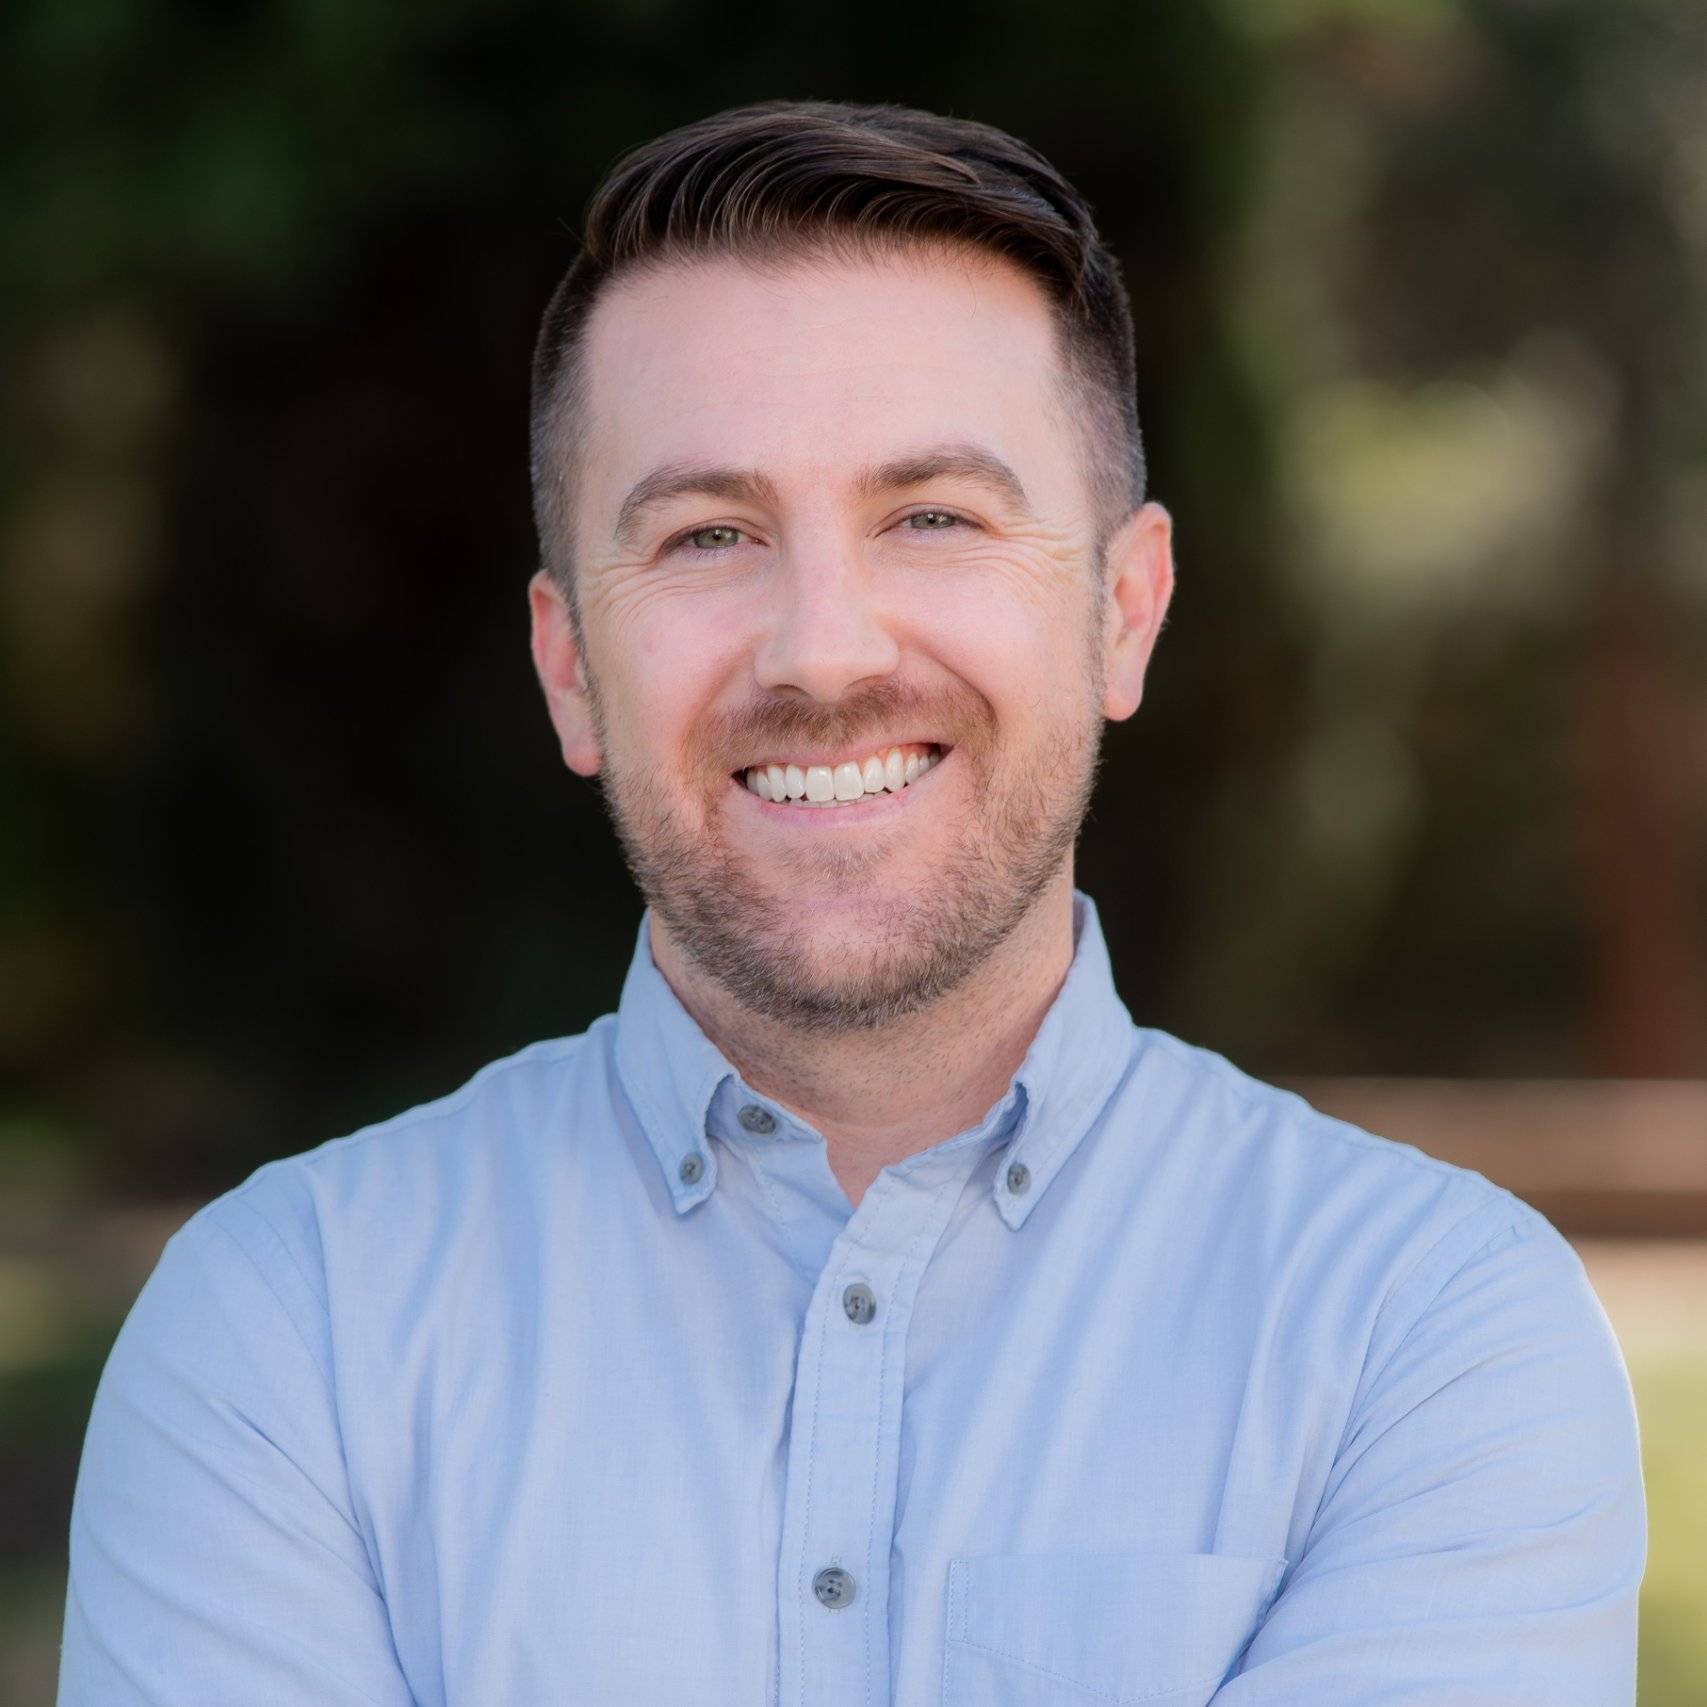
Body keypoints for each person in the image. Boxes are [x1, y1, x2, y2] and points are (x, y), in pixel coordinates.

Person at [59, 101, 1644, 1705]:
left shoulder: (1423, 1335)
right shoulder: (285, 1338)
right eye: (709, 535)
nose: (825, 651)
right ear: (568, 667)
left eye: (934, 519)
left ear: (1125, 611)